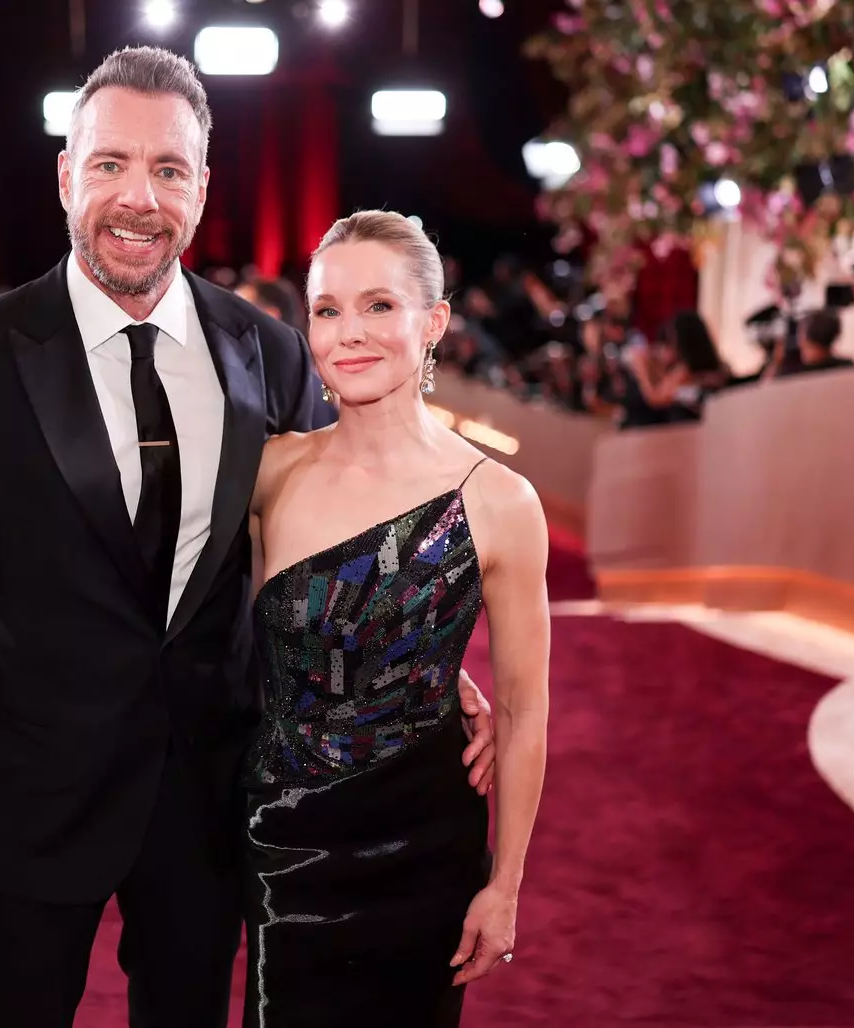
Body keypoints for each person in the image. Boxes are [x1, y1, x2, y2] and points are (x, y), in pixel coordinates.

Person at [0, 46, 497, 1028]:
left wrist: (417, 659)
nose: (137, 197)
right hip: (31, 802)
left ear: (202, 189)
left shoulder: (273, 351)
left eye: (167, 169)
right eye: (110, 163)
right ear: (66, 174)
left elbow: (315, 541)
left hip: (214, 795)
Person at [245, 211, 550, 1026]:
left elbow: (523, 711)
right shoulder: (267, 473)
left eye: (380, 306)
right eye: (328, 309)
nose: (351, 333)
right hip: (285, 847)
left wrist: (505, 886)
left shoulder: (500, 501)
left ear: (435, 322)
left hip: (428, 852)